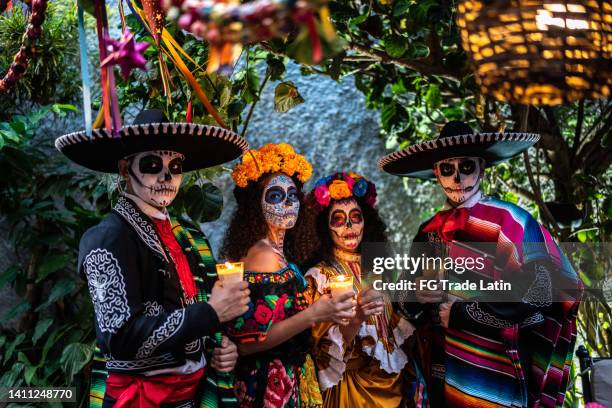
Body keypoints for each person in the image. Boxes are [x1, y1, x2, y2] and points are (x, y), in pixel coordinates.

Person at [55, 109, 251, 407]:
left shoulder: (186, 237)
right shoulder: (106, 239)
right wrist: (210, 314)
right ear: (125, 169)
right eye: (152, 164)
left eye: (176, 165)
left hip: (192, 397)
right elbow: (120, 339)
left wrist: (221, 349)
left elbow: (194, 321)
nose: (166, 176)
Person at [379, 121, 583, 407]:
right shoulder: (429, 231)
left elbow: (541, 291)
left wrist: (466, 313)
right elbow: (405, 301)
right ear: (436, 174)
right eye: (447, 170)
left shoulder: (513, 221)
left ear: (482, 166)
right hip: (443, 370)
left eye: (466, 167)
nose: (457, 179)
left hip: (498, 370)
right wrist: (415, 296)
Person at [221, 143, 356, 408]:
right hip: (268, 382)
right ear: (255, 206)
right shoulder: (263, 256)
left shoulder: (278, 252)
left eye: (292, 195)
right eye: (275, 195)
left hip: (291, 375)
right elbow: (248, 343)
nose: (287, 202)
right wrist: (314, 314)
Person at [302, 172, 415, 407]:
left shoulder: (377, 266)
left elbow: (392, 328)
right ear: (325, 227)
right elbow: (320, 351)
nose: (350, 226)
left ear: (367, 221)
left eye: (356, 216)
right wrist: (358, 316)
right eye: (339, 219)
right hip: (349, 390)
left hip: (392, 385)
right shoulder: (320, 277)